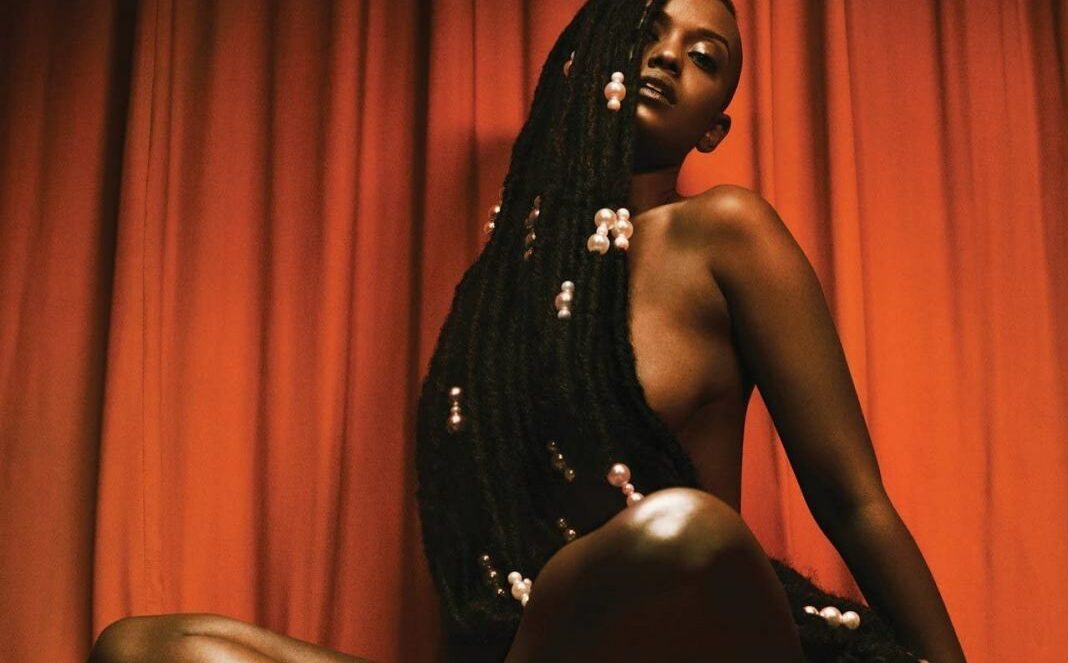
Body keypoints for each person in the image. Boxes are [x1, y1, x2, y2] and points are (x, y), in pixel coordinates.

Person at [90, 1, 967, 662]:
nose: (666, 56)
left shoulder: (724, 234)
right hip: (521, 649)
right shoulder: (496, 300)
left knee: (685, 533)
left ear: (715, 127)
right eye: (647, 30)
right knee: (145, 648)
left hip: (685, 639)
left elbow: (853, 499)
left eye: (705, 58)